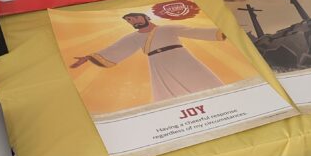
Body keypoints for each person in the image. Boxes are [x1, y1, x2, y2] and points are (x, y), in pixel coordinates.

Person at [70, 11, 227, 101]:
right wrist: (89, 57)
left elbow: (193, 31)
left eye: (135, 18)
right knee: (168, 93)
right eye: (130, 20)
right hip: (158, 64)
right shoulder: (133, 37)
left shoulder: (167, 28)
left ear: (146, 17)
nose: (133, 21)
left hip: (181, 58)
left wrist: (222, 32)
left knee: (202, 81)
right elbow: (116, 48)